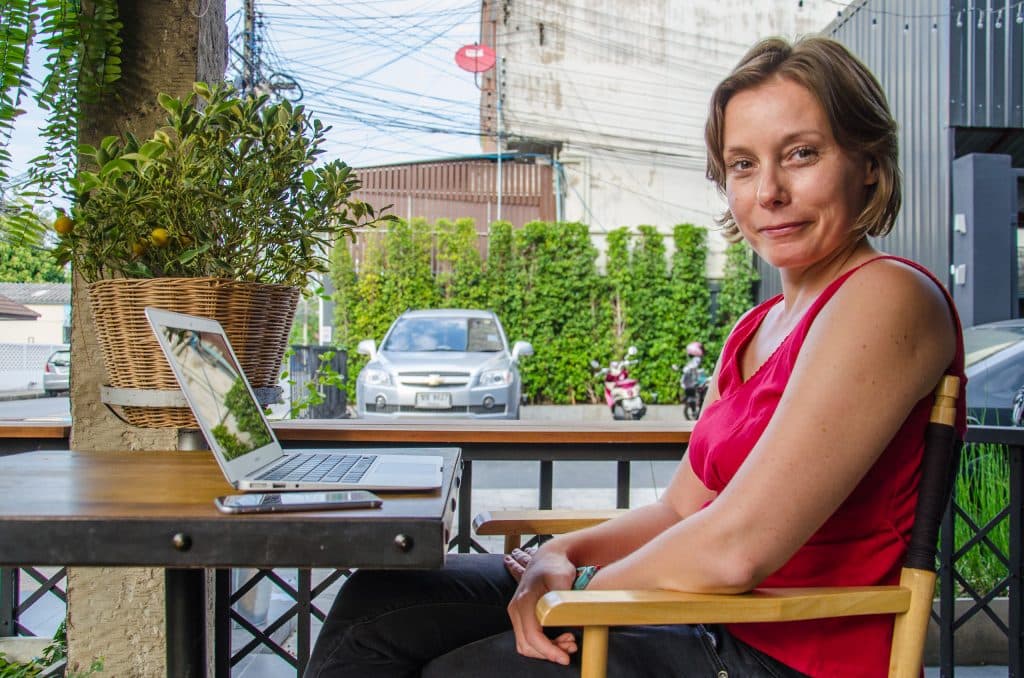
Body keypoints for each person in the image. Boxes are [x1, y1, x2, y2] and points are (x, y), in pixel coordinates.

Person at [304, 35, 967, 678]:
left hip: (776, 656)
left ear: (869, 163)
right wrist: (556, 554)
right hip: (698, 618)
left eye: (800, 154)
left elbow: (738, 548)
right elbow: (681, 511)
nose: (767, 192)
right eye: (742, 164)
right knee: (378, 603)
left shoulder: (887, 296)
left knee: (461, 669)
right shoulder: (755, 326)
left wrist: (577, 587)